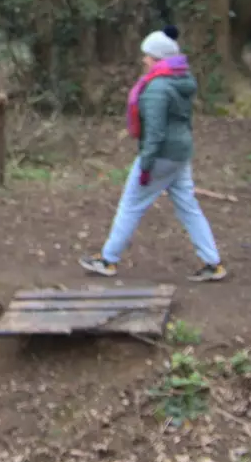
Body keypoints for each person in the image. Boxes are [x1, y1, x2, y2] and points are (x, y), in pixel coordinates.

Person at [80, 29, 227, 282]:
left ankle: (108, 260)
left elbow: (156, 133)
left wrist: (146, 166)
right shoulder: (180, 80)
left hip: (161, 155)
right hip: (181, 154)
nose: (144, 61)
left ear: (159, 58)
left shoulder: (157, 88)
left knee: (130, 205)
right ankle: (213, 263)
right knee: (188, 207)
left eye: (147, 56)